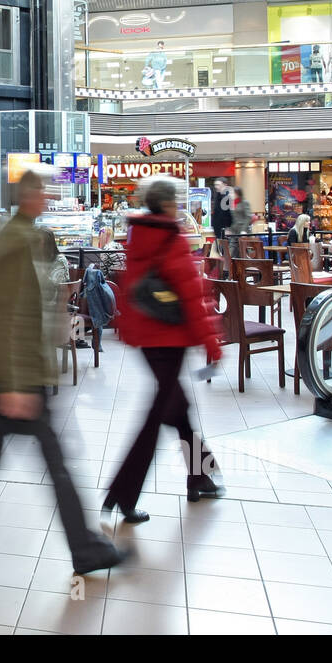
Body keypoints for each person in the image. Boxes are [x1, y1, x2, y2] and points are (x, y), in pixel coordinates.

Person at [0, 168, 129, 576]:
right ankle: (85, 549)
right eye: (42, 191)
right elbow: (11, 315)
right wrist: (18, 384)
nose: (47, 198)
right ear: (27, 196)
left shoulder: (16, 237)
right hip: (20, 377)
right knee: (52, 461)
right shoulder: (20, 243)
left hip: (17, 373)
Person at [107, 179, 225, 517]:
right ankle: (123, 496)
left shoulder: (138, 237)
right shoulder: (172, 241)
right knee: (158, 416)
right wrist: (213, 346)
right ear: (171, 205)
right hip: (170, 340)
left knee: (178, 408)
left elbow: (130, 289)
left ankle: (199, 478)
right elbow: (192, 296)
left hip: (147, 339)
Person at [210, 177, 233, 263]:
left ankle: (225, 270)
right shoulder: (219, 195)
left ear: (224, 185)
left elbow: (228, 213)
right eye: (215, 185)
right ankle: (223, 269)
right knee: (221, 251)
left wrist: (228, 227)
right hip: (219, 229)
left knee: (225, 251)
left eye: (218, 184)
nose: (216, 187)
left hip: (224, 229)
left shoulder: (227, 196)